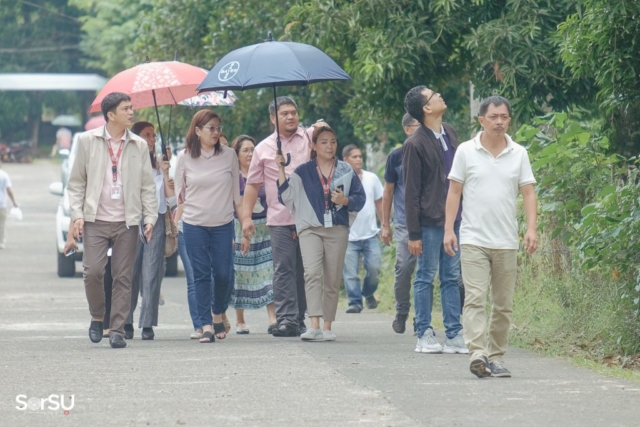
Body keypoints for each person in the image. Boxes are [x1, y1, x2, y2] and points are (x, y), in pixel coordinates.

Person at [444, 96, 538, 378]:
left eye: (504, 117)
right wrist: (449, 229)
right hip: (473, 238)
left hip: (506, 241)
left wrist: (531, 229)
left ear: (509, 121)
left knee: (502, 305)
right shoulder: (465, 151)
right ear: (481, 120)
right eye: (494, 117)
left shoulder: (519, 153)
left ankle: (495, 357)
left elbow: (529, 193)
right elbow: (454, 191)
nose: (499, 122)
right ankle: (477, 353)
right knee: (474, 298)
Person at [67, 92, 157, 349]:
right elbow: (76, 184)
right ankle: (98, 316)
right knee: (93, 272)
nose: (132, 112)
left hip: (126, 221)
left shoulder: (138, 145)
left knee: (123, 276)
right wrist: (77, 215)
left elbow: (147, 187)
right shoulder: (87, 141)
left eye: (131, 107)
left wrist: (149, 217)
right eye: (126, 109)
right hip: (95, 219)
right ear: (110, 115)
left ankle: (117, 329)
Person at [276, 124, 365, 341]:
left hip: (337, 229)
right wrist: (280, 169)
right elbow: (285, 196)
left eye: (333, 141)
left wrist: (345, 201)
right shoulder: (303, 170)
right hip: (310, 229)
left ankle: (327, 326)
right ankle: (313, 323)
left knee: (332, 278)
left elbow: (359, 199)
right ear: (313, 146)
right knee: (312, 274)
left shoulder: (345, 169)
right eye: (323, 142)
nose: (329, 146)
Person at [242, 96, 321, 337]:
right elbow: (253, 185)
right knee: (284, 268)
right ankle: (286, 318)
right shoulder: (263, 148)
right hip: (279, 218)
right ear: (272, 118)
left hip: (309, 217)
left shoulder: (310, 139)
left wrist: (321, 126)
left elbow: (328, 144)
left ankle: (300, 316)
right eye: (284, 113)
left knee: (306, 268)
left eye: (293, 112)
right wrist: (246, 217)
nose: (290, 117)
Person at [402, 85, 467, 354]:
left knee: (452, 276)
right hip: (428, 223)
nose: (440, 95)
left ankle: (454, 333)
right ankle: (424, 332)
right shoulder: (414, 143)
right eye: (434, 95)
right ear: (426, 108)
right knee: (426, 276)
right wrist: (414, 234)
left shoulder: (449, 132)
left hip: (453, 219)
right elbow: (411, 193)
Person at [174, 109, 241, 344]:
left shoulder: (229, 155)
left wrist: (246, 221)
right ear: (198, 130)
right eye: (210, 128)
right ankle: (205, 325)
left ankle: (217, 313)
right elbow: (180, 195)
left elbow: (237, 195)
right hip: (194, 224)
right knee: (201, 275)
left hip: (223, 224)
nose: (215, 132)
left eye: (218, 127)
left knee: (223, 274)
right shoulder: (184, 157)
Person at [124, 122, 176, 340]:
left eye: (153, 135)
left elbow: (171, 197)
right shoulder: (129, 161)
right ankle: (125, 320)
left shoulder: (159, 163)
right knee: (130, 272)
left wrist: (165, 172)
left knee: (152, 272)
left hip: (157, 219)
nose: (152, 139)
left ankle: (147, 323)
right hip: (133, 220)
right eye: (147, 135)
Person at [231, 135, 276, 334]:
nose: (250, 154)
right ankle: (240, 320)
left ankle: (273, 317)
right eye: (245, 150)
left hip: (265, 226)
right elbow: (236, 204)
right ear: (237, 154)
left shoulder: (264, 171)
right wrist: (241, 230)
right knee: (241, 272)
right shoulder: (233, 176)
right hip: (240, 226)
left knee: (269, 272)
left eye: (252, 149)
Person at [381, 114, 419, 333]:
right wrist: (385, 224)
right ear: (407, 130)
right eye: (417, 127)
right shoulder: (396, 156)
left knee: (425, 271)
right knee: (404, 267)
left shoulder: (433, 152)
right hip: (404, 222)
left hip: (429, 221)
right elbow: (388, 191)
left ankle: (421, 318)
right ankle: (402, 310)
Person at [341, 144, 384, 313]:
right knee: (350, 272)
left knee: (374, 268)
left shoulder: (372, 178)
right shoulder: (340, 180)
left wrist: (385, 225)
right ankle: (355, 302)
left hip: (370, 234)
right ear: (345, 160)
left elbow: (379, 202)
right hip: (348, 235)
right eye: (355, 157)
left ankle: (368, 292)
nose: (359, 159)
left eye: (360, 156)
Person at [0, 161, 18, 249]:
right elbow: (9, 190)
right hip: (1, 204)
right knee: (1, 224)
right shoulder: (4, 175)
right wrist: (14, 202)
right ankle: (1, 242)